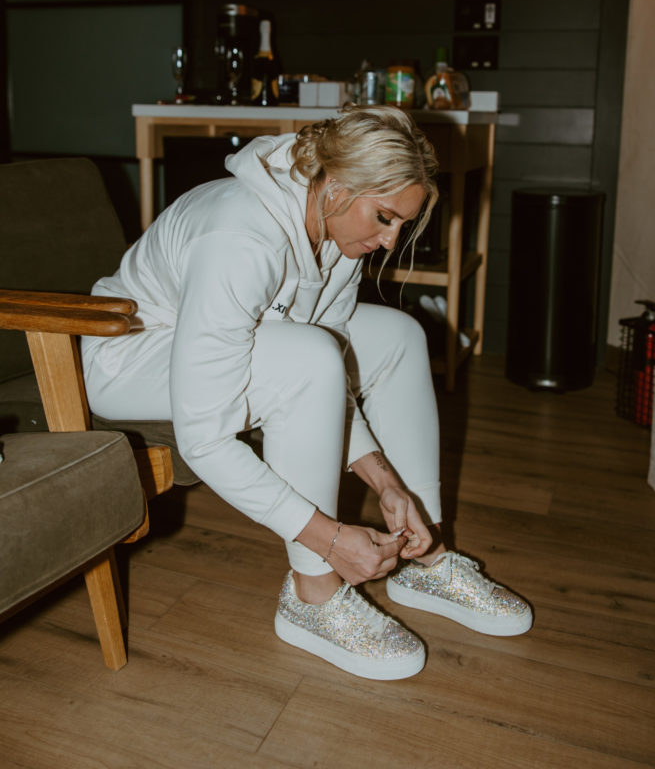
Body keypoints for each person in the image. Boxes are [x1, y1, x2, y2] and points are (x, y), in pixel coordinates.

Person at [82, 104, 532, 680]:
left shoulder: (334, 227)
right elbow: (204, 440)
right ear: (339, 187)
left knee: (396, 337)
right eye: (385, 217)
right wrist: (331, 538)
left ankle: (423, 553)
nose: (390, 241)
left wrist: (386, 482)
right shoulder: (240, 239)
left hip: (221, 341)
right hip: (127, 354)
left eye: (402, 224)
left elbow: (334, 382)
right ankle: (312, 594)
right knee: (308, 358)